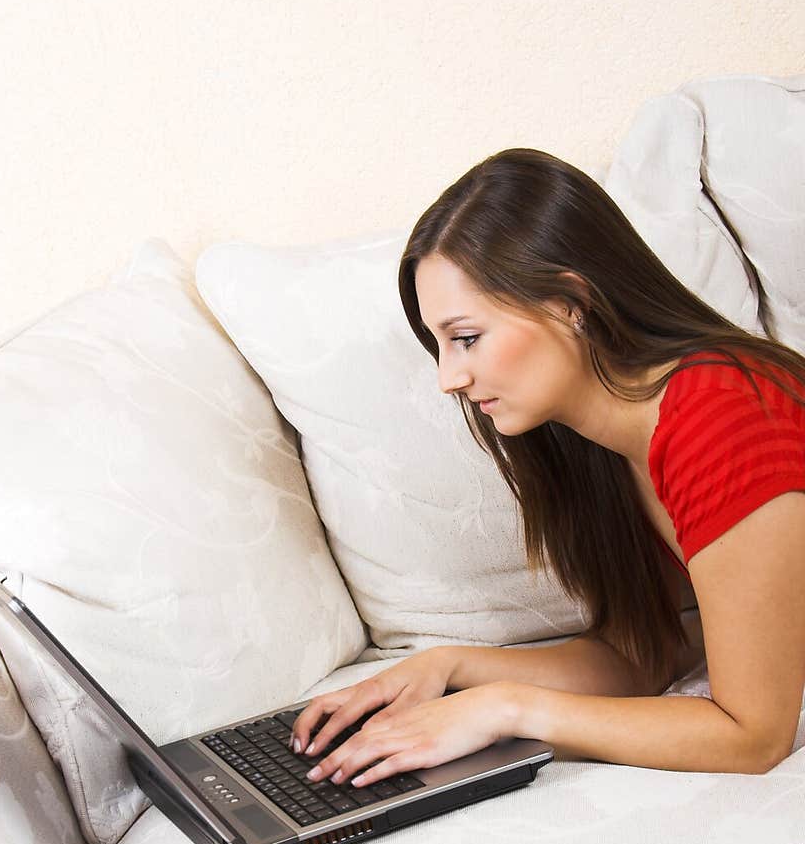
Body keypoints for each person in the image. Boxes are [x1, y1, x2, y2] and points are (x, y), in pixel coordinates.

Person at [289, 148, 805, 784]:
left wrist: (505, 709)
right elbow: (641, 658)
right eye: (439, 345)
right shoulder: (603, 439)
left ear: (570, 303)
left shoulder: (720, 411)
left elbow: (753, 737)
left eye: (467, 338)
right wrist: (451, 667)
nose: (449, 378)